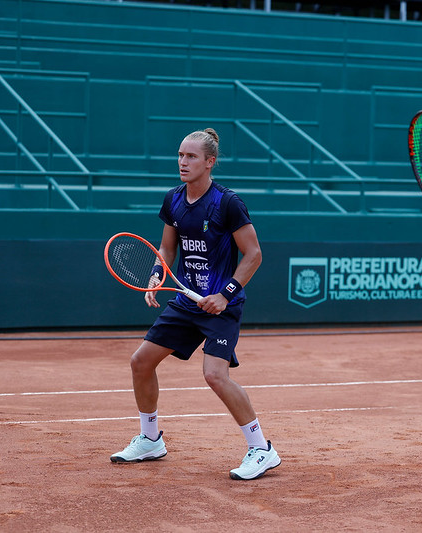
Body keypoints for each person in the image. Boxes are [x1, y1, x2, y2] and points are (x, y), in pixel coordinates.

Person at [110, 128, 280, 481]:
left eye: (191, 157)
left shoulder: (227, 203)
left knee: (215, 375)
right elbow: (168, 248)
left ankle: (262, 449)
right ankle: (151, 439)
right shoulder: (173, 199)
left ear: (209, 162)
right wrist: (158, 272)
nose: (183, 162)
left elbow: (254, 255)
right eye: (180, 155)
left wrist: (225, 295)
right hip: (187, 300)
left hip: (222, 303)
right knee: (141, 362)